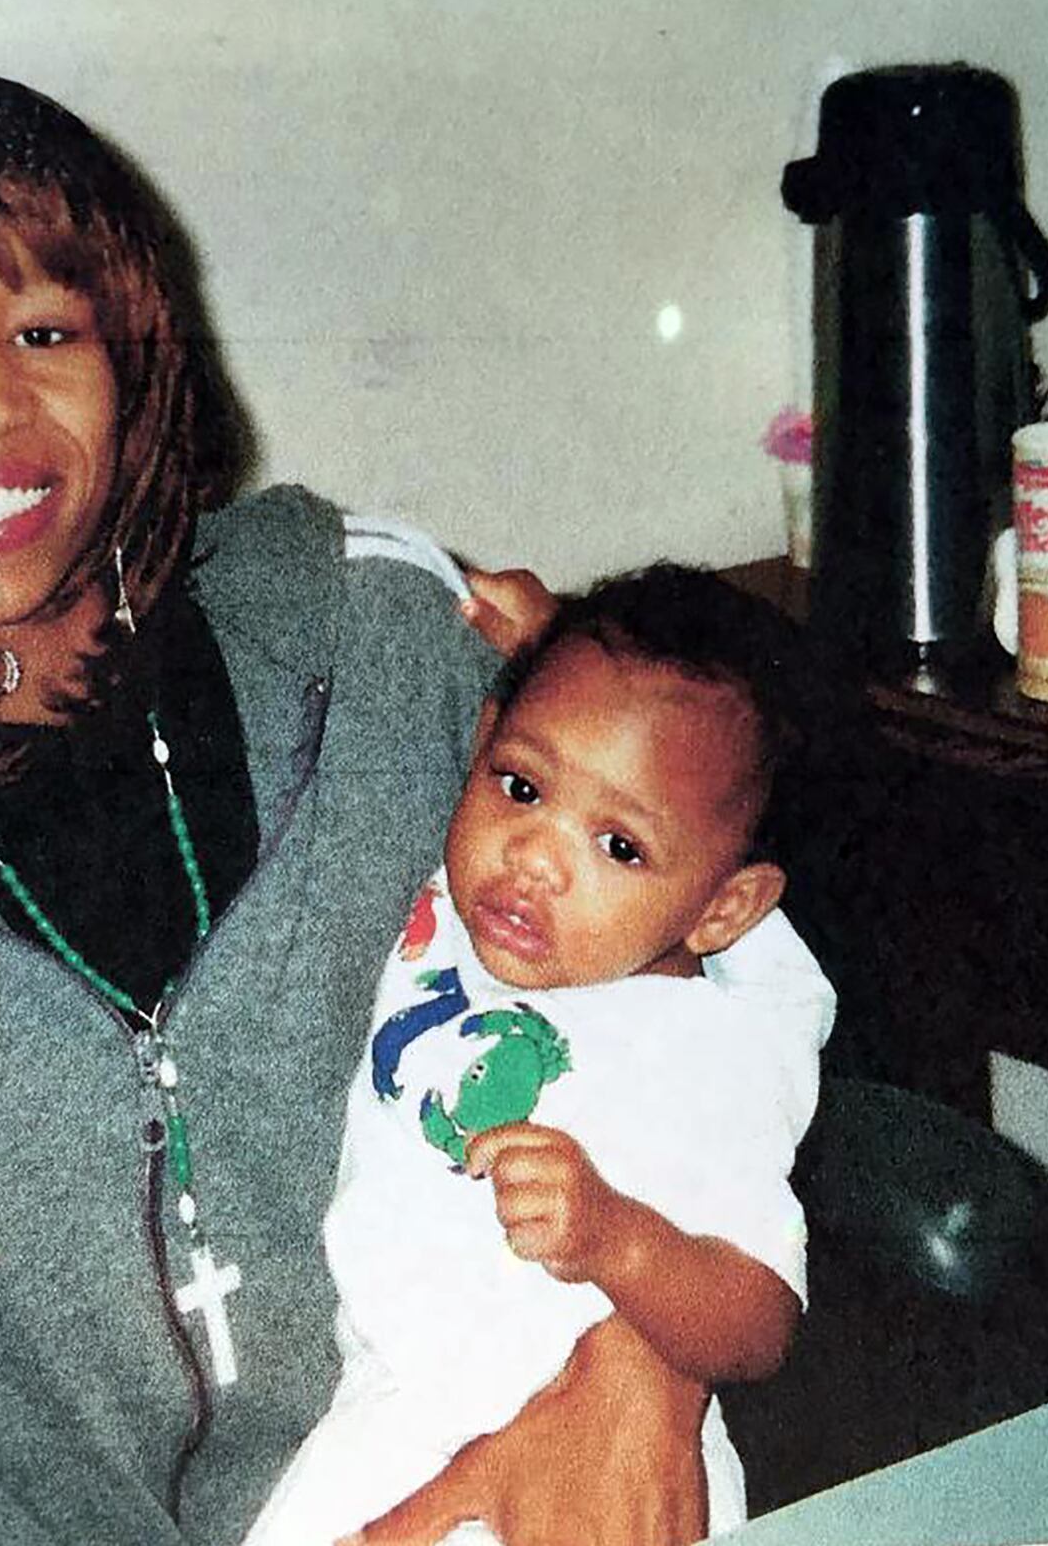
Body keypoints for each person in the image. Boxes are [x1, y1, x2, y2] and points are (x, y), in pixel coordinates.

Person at [0, 67, 824, 1546]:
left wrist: (636, 1351)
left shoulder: (369, 626)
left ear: (131, 364)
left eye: (46, 330)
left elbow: (697, 940)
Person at [242, 567, 835, 1546]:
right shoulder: (462, 914)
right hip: (385, 1419)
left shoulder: (700, 1046)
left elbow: (758, 1321)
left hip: (590, 1468)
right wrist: (551, 640)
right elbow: (609, 740)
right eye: (520, 787)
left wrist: (616, 1236)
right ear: (480, 747)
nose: (535, 858)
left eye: (618, 847)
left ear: (724, 908)